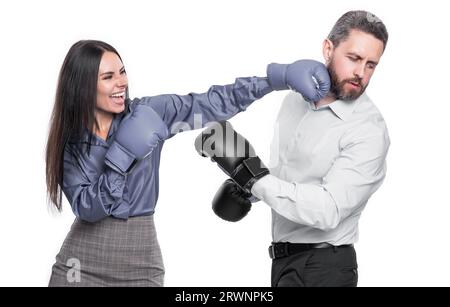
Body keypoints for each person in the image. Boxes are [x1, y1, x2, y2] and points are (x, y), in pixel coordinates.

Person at [45, 40, 330, 287]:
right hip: (81, 260)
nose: (122, 83)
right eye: (108, 76)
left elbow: (209, 104)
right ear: (83, 86)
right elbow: (87, 208)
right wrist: (120, 159)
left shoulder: (150, 113)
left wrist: (274, 79)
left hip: (139, 258)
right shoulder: (71, 141)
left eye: (122, 72)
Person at [196, 10, 390, 287]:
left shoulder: (368, 130)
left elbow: (328, 210)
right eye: (354, 58)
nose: (361, 73)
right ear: (328, 49)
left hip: (326, 267)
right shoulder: (294, 102)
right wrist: (247, 189)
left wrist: (254, 179)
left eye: (371, 65)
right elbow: (290, 178)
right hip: (283, 262)